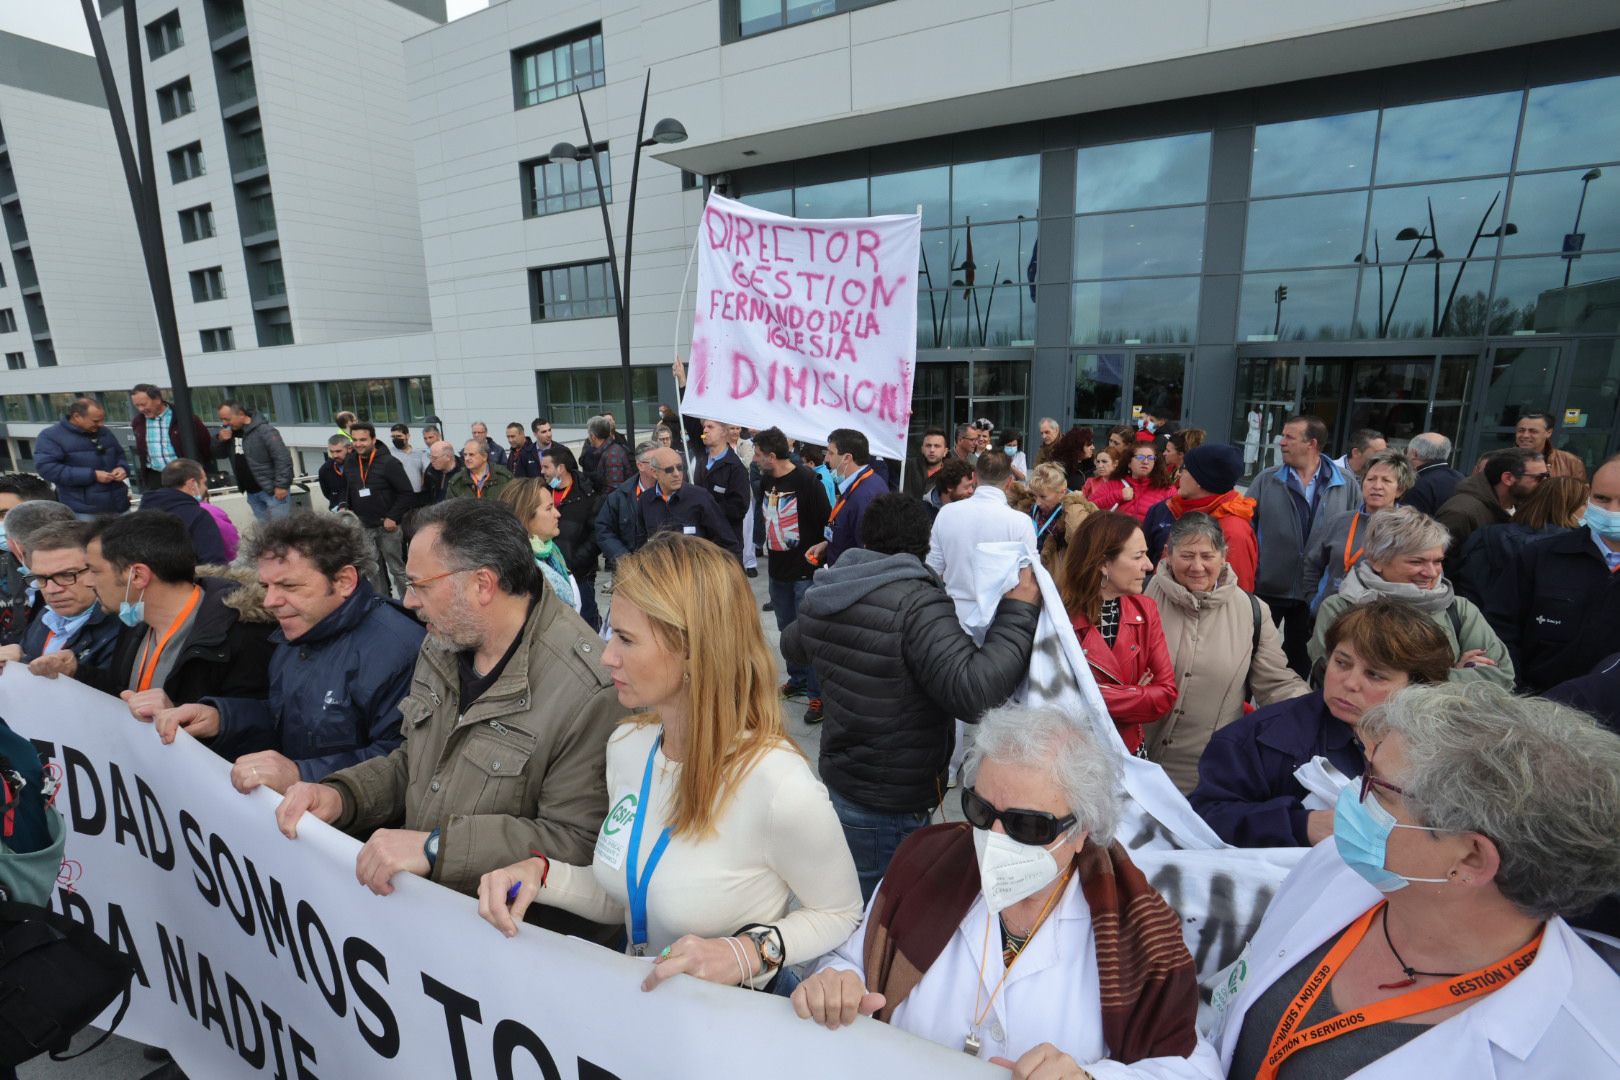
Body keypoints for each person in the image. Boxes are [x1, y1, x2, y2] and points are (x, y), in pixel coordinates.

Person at [475, 533, 862, 988]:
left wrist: (749, 950)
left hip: (732, 1028)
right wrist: (540, 874)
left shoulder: (778, 784)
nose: (607, 656)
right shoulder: (627, 745)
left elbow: (840, 911)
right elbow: (631, 895)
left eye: (625, 639)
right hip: (645, 1015)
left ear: (692, 650)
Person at [1208, 682, 1620, 1078]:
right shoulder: (1339, 868)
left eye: (1379, 789)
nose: (1352, 796)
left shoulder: (1586, 1055)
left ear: (1471, 858)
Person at [270, 499, 624, 942]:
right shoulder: (445, 640)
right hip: (436, 925)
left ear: (481, 584)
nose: (408, 600)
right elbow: (416, 763)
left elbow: (577, 843)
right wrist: (343, 795)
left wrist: (436, 848)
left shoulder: (588, 688)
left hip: (516, 949)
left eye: (419, 584)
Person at [792, 704, 1211, 1078]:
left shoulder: (1136, 928)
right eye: (981, 810)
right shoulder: (925, 863)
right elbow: (852, 959)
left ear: (1082, 830)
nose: (994, 838)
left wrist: (1090, 1078)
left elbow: (1194, 1066)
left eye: (1027, 826)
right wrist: (838, 980)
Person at [781, 494, 1040, 899]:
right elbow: (974, 693)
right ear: (924, 546)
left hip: (845, 778)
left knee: (849, 895)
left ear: (866, 539)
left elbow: (792, 645)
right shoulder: (916, 603)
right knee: (879, 907)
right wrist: (1018, 612)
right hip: (891, 799)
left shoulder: (829, 590)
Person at [150, 512, 424, 793]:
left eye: (289, 586)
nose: (269, 601)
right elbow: (287, 716)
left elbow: (406, 763)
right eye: (266, 586)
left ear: (344, 581)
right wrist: (222, 719)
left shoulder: (399, 649)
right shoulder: (295, 636)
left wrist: (301, 774)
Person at [1191, 600, 1452, 847]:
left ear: (1416, 687)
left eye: (1374, 675)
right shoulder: (1255, 738)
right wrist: (1301, 824)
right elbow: (1201, 819)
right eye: (1341, 663)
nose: (1350, 682)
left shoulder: (1443, 748)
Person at [38, 513, 275, 719]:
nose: (88, 582)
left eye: (95, 571)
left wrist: (181, 713)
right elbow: (128, 693)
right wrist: (78, 672)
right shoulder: (135, 619)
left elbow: (264, 722)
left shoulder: (241, 633)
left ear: (138, 576)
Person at [1144, 513, 1307, 795]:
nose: (1197, 567)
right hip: (1134, 771)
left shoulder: (1251, 611)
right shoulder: (1141, 596)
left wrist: (1316, 712)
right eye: (1187, 555)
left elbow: (1276, 684)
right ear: (1168, 555)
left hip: (1206, 781)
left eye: (1207, 556)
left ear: (1223, 556)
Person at [1308, 506, 1515, 689]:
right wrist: (1449, 674)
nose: (1432, 572)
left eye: (1438, 561)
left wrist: (1396, 678)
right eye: (1417, 562)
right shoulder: (1341, 608)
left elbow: (1501, 677)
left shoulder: (1459, 610)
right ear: (1377, 560)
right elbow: (1334, 680)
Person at [1484, 454, 1620, 693]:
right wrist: (1516, 690)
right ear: (1588, 493)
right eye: (1602, 498)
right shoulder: (1540, 556)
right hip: (1537, 709)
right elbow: (1500, 627)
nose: (1612, 511)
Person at [1250, 414, 1362, 678]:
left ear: (1312, 443)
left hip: (1314, 595)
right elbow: (1247, 529)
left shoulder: (1346, 484)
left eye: (1289, 437)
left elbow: (1354, 531)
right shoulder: (1267, 480)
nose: (1282, 443)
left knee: (1301, 662)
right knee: (1253, 657)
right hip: (1267, 590)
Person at [1061, 512, 1176, 755]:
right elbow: (1058, 701)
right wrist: (1136, 691)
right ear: (1103, 564)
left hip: (1129, 751)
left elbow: (1165, 694)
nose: (1149, 565)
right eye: (1138, 556)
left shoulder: (1146, 610)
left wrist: (1088, 694)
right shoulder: (1059, 617)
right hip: (1074, 757)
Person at [755, 428, 830, 707]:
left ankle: (816, 694)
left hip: (804, 573)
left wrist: (820, 554)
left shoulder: (808, 480)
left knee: (807, 633)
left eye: (759, 454)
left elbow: (826, 522)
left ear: (772, 456)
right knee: (787, 630)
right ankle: (797, 680)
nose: (755, 459)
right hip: (778, 571)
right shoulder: (765, 481)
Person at [926, 451, 1038, 620]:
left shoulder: (946, 513)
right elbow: (1029, 580)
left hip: (955, 616)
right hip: (1001, 620)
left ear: (974, 477)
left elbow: (932, 570)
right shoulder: (1021, 522)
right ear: (1009, 482)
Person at [1300, 447, 1415, 609]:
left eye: (1386, 481)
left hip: (1378, 620)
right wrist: (1314, 601)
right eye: (1371, 479)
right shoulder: (1340, 522)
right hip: (1329, 614)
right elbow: (1312, 564)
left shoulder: (1411, 529)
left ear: (1400, 489)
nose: (1377, 486)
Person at [0, 522, 121, 672]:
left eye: (67, 575)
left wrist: (21, 664)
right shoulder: (46, 614)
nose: (52, 590)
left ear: (97, 569)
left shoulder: (125, 628)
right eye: (41, 578)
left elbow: (113, 691)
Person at [1451, 474, 1587, 607]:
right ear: (1568, 507)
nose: (1589, 510)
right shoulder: (1571, 547)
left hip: (1478, 620)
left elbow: (1466, 582)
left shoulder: (1487, 534)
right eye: (1584, 504)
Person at [1142, 443, 1257, 591]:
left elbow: (1236, 593)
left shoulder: (1233, 530)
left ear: (1200, 480)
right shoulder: (1170, 509)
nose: (1178, 475)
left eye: (1184, 469)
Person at [1434, 446, 1547, 565]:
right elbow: (1440, 564)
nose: (1545, 483)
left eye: (1547, 476)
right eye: (1539, 478)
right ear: (1508, 478)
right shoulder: (1460, 513)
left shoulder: (1524, 506)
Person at [343, 422, 414, 599]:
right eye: (355, 440)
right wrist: (345, 505)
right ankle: (383, 604)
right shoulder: (351, 461)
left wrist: (393, 517)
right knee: (373, 572)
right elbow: (350, 488)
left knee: (397, 570)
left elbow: (406, 493)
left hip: (387, 527)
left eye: (363, 440)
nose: (358, 444)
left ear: (373, 439)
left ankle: (410, 606)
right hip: (364, 527)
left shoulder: (389, 462)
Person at [35, 397, 130, 518]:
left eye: (102, 420)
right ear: (77, 417)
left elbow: (120, 454)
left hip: (119, 505)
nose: (101, 424)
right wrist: (92, 475)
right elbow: (47, 469)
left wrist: (122, 468)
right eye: (95, 421)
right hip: (84, 511)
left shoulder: (104, 432)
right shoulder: (50, 436)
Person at [808, 428, 890, 568]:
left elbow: (868, 555)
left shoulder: (866, 495)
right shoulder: (859, 484)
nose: (826, 458)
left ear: (847, 458)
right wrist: (829, 545)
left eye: (831, 453)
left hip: (849, 581)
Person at [541, 444, 601, 629]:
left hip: (580, 574)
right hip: (550, 571)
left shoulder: (587, 494)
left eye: (546, 467)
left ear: (560, 468)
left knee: (585, 622)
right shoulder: (542, 493)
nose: (542, 471)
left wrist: (576, 560)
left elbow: (597, 533)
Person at [498, 478, 580, 614]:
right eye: (549, 508)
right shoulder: (521, 575)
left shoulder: (551, 552)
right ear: (525, 517)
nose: (558, 514)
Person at [639, 448, 739, 558]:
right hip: (662, 571)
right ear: (654, 473)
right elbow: (640, 543)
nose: (676, 474)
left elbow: (727, 542)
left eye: (680, 467)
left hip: (696, 571)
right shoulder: (645, 501)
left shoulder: (700, 497)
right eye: (669, 470)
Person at [1015, 462, 1096, 583]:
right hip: (1032, 575)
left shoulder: (1074, 511)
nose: (1037, 502)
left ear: (1062, 492)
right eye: (1035, 495)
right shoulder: (1031, 505)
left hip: (1059, 581)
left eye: (1043, 496)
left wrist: (1073, 507)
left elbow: (1080, 543)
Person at [137, 459, 229, 566]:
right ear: (192, 484)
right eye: (204, 482)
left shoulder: (141, 514)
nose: (206, 488)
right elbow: (214, 563)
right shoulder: (198, 516)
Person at [215, 400, 293, 522]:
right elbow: (219, 455)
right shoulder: (230, 433)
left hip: (272, 492)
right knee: (265, 535)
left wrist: (282, 485)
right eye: (222, 419)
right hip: (252, 493)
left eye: (227, 419)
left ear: (241, 414)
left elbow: (282, 458)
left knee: (281, 532)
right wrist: (219, 440)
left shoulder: (264, 430)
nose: (225, 423)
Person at [129, 384, 209, 492]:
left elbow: (205, 445)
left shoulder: (184, 418)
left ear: (157, 399)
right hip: (155, 478)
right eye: (137, 405)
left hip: (183, 477)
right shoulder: (138, 422)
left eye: (143, 404)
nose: (140, 409)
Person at [594, 441, 658, 570]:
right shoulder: (619, 496)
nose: (659, 466)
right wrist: (623, 558)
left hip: (664, 570)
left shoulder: (670, 492)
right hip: (630, 571)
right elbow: (603, 530)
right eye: (654, 462)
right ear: (640, 466)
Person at [691, 418, 749, 552]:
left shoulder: (735, 467)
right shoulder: (702, 461)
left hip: (726, 544)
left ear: (723, 432)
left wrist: (708, 509)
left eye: (710, 427)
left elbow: (739, 507)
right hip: (703, 543)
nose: (705, 430)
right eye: (704, 427)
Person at [1400, 431, 1465, 516]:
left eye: (1407, 451)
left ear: (1414, 454)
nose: (1405, 456)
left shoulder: (1417, 485)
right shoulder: (1461, 478)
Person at [1515, 410, 1587, 480]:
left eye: (1533, 431)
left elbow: (1581, 491)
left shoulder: (1571, 462)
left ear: (1549, 432)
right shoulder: (1505, 459)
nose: (1525, 435)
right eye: (1521, 430)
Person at [447, 438, 514, 501]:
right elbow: (451, 510)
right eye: (465, 455)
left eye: (471, 455)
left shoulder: (504, 477)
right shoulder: (456, 482)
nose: (467, 458)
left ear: (484, 457)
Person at [585, 416, 631, 493]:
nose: (588, 437)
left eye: (589, 434)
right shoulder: (609, 450)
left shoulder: (612, 455)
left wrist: (598, 503)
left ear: (593, 436)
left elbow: (614, 490)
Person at [902, 427, 950, 495]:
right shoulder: (908, 466)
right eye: (928, 445)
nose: (932, 450)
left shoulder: (951, 474)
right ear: (922, 449)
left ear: (945, 451)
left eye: (937, 446)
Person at [386, 424, 426, 498]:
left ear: (407, 436)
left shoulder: (419, 453)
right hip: (398, 495)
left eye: (399, 436)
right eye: (393, 437)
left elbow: (423, 473)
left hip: (417, 494)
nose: (396, 439)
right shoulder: (389, 454)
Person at [421, 439, 462, 505]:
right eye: (430, 457)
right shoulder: (430, 470)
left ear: (448, 457)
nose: (431, 461)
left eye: (435, 458)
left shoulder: (463, 473)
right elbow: (426, 494)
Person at [317, 434, 351, 511]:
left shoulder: (358, 464)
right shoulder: (324, 470)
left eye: (338, 451)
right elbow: (327, 493)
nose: (335, 455)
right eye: (332, 452)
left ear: (349, 448)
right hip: (337, 511)